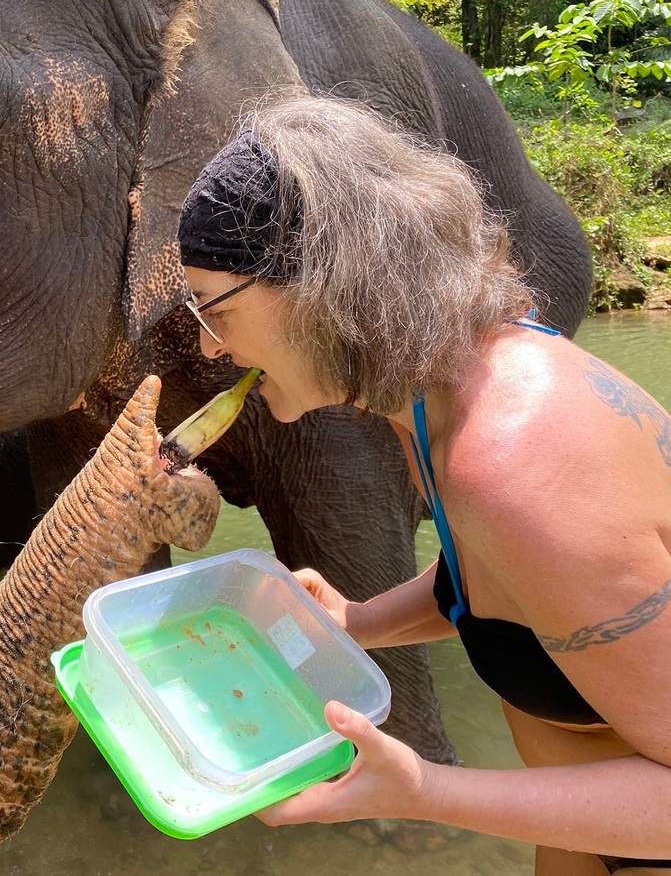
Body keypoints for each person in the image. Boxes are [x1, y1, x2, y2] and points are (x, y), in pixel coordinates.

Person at [176, 94, 671, 875]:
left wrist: (421, 788)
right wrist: (357, 621)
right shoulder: (434, 396)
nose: (207, 348)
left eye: (213, 309)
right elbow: (504, 584)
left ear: (317, 285)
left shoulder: (513, 461)